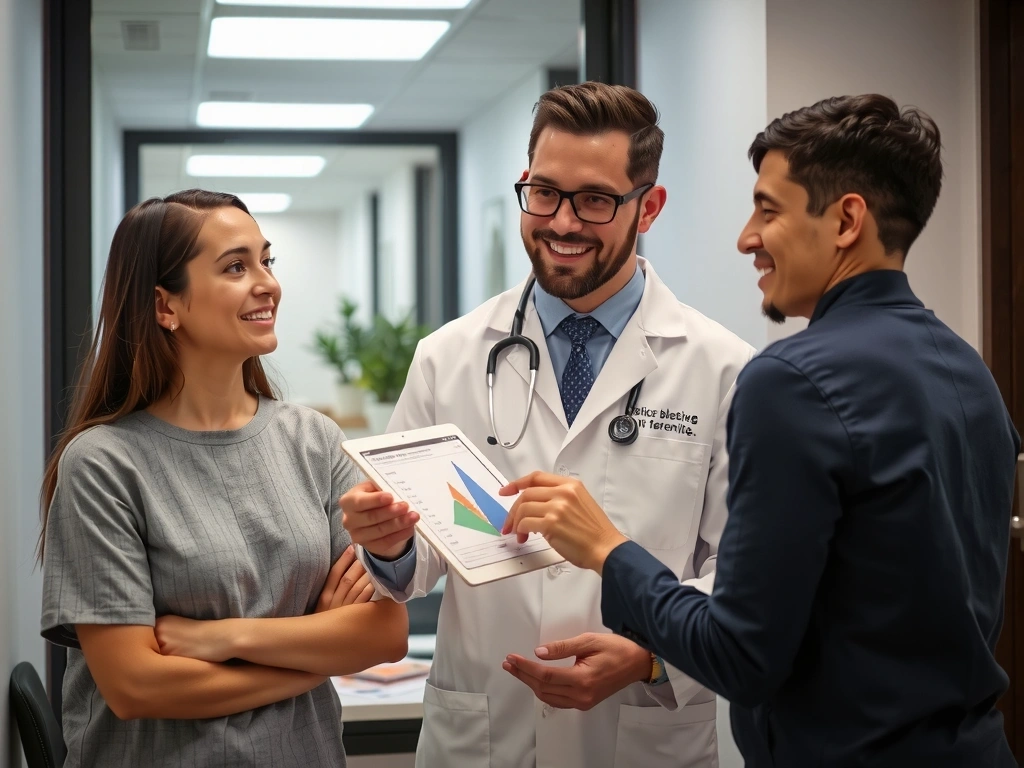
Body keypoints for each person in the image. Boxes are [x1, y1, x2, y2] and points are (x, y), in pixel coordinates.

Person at [502, 94, 1022, 767]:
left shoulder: (792, 381)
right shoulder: (968, 371)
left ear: (846, 221)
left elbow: (741, 655)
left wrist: (607, 549)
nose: (747, 237)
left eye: (767, 210)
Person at [341, 82, 754, 767]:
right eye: (544, 192)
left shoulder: (722, 370)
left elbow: (739, 577)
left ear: (648, 206)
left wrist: (650, 658)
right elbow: (419, 563)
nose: (561, 222)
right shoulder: (449, 356)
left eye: (594, 199)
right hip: (485, 731)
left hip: (638, 734)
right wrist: (387, 545)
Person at [39, 189, 409, 767]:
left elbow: (384, 635)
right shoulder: (104, 464)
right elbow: (136, 687)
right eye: (236, 266)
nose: (267, 284)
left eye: (267, 260)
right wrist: (316, 650)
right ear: (166, 306)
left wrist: (224, 637)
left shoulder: (315, 440)